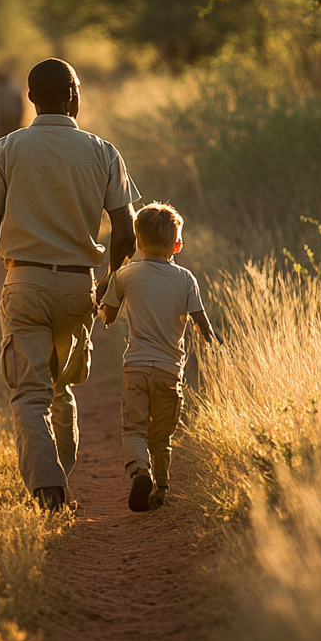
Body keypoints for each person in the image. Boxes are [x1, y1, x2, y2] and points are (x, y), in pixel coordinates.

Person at [0, 58, 140, 511]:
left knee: (29, 393)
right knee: (62, 390)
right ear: (73, 95)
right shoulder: (104, 152)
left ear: (29, 99)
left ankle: (47, 487)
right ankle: (59, 478)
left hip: (24, 283)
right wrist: (105, 284)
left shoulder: (5, 149)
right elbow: (125, 233)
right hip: (79, 288)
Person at [101, 202, 220, 512]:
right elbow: (202, 323)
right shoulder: (186, 279)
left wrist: (102, 309)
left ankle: (140, 470)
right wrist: (215, 343)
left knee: (133, 429)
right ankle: (162, 489)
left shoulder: (126, 275)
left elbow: (108, 317)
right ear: (177, 244)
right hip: (169, 370)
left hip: (136, 367)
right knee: (161, 434)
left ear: (138, 242)